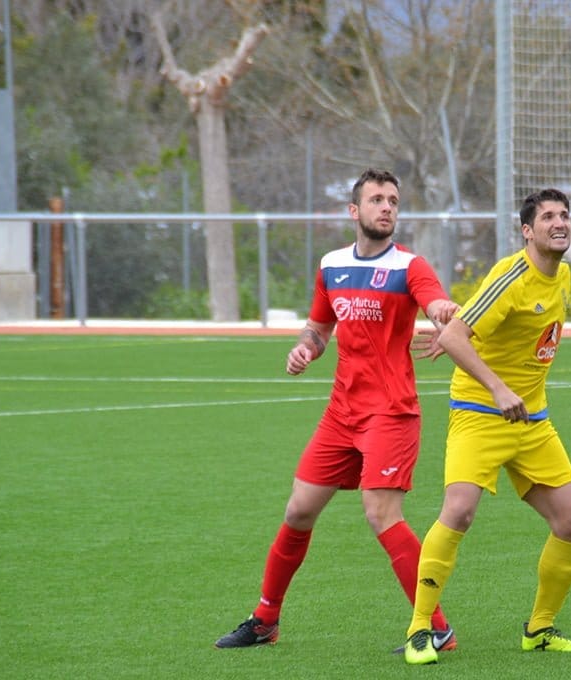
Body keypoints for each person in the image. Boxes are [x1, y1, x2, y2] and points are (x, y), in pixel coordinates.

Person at [214, 168, 461, 650]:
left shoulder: (410, 266)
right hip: (341, 413)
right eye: (376, 200)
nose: (387, 207)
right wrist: (305, 347)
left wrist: (443, 312)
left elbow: (434, 304)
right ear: (355, 211)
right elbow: (319, 327)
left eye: (392, 200)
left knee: (381, 514)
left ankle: (436, 627)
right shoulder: (331, 265)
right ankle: (265, 620)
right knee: (298, 509)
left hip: (391, 412)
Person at [402, 188, 571, 665]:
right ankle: (420, 629)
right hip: (480, 414)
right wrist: (498, 388)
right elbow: (455, 334)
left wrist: (461, 326)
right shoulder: (512, 275)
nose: (559, 223)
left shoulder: (562, 274)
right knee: (460, 511)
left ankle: (540, 629)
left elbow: (466, 324)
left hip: (532, 421)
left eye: (565, 215)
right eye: (548, 217)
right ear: (527, 231)